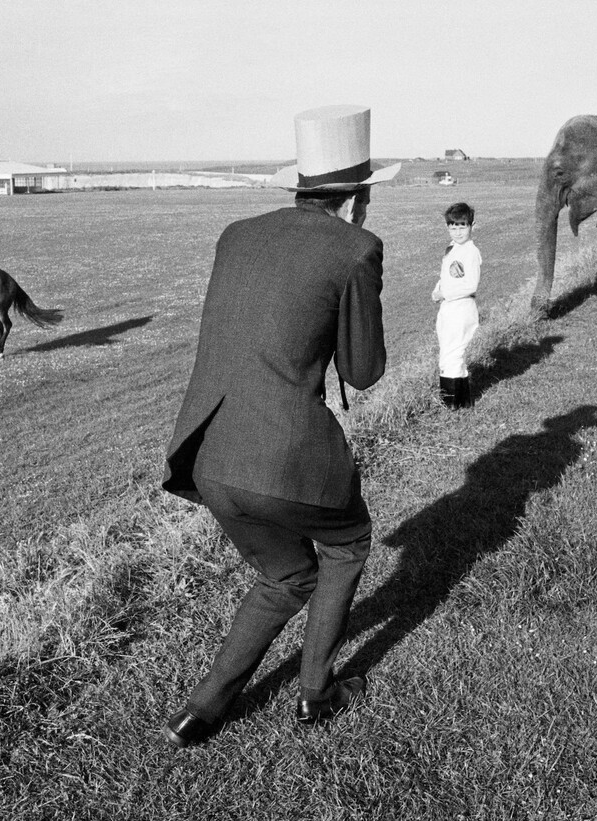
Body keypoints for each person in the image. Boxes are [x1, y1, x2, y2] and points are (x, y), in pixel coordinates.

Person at [160, 105, 400, 748]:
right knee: (346, 547)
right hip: (285, 452)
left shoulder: (236, 234)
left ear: (300, 185)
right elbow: (364, 369)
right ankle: (316, 693)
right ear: (356, 199)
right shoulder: (356, 248)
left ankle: (201, 711)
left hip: (209, 452)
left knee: (285, 576)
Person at [431, 202, 480, 409]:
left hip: (461, 307)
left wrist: (445, 293)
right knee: (448, 352)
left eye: (462, 226)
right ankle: (462, 403)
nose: (457, 231)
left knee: (454, 354)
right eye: (453, 226)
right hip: (449, 308)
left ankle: (452, 404)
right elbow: (446, 277)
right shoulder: (452, 249)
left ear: (472, 226)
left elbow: (470, 285)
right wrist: (437, 289)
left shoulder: (471, 252)